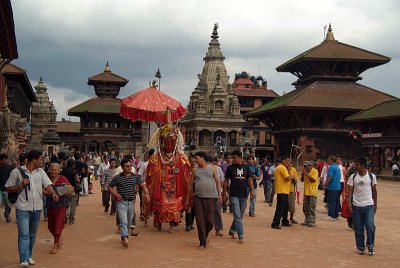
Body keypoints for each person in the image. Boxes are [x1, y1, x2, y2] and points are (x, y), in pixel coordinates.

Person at [5, 150, 58, 267]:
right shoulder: (17, 172)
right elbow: (8, 188)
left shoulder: (40, 172)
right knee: (24, 234)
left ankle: (29, 255)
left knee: (32, 234)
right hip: (22, 208)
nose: (42, 161)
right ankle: (24, 258)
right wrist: (20, 185)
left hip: (37, 207)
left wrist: (53, 193)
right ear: (34, 160)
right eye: (40, 159)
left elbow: (47, 185)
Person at [147, 123, 191, 233]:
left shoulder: (181, 158)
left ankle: (172, 225)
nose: (168, 145)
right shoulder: (156, 158)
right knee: (160, 206)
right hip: (161, 187)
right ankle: (159, 224)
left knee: (175, 207)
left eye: (171, 141)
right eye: (165, 141)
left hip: (175, 187)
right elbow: (150, 175)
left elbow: (187, 175)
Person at [109, 158, 150, 248]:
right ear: (122, 167)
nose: (129, 168)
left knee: (128, 221)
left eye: (131, 166)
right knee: (123, 221)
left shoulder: (135, 177)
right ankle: (125, 237)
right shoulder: (117, 178)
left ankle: (124, 236)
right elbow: (110, 187)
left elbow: (142, 185)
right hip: (121, 202)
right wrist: (115, 194)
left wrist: (146, 193)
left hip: (131, 202)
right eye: (127, 166)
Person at [186, 151, 222, 250]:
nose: (195, 160)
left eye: (196, 158)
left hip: (211, 198)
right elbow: (190, 184)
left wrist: (219, 194)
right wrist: (187, 199)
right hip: (198, 198)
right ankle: (202, 242)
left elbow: (217, 181)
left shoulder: (213, 168)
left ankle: (205, 235)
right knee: (200, 220)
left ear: (202, 158)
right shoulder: (195, 170)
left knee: (210, 221)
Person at [347, 156, 378, 256]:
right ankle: (360, 247)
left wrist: (375, 205)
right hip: (357, 206)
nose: (355, 166)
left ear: (362, 165)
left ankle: (370, 245)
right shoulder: (353, 177)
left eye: (357, 164)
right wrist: (349, 203)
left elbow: (374, 191)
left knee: (370, 226)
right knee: (359, 228)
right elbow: (350, 189)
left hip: (369, 205)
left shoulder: (371, 177)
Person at [223, 150, 254, 243]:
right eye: (232, 158)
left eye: (234, 158)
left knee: (239, 215)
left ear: (240, 157)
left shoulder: (246, 167)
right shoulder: (230, 168)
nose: (233, 159)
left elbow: (250, 180)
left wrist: (252, 191)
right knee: (237, 215)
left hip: (244, 194)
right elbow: (226, 181)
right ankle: (241, 235)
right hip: (234, 194)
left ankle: (232, 231)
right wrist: (224, 193)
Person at [44, 163, 73, 254]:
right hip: (50, 205)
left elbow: (70, 188)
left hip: (61, 206)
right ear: (49, 170)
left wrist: (60, 192)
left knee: (58, 225)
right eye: (52, 170)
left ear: (59, 170)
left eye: (55, 170)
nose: (53, 171)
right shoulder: (46, 179)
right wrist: (50, 193)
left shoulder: (62, 178)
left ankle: (55, 244)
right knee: (51, 227)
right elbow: (41, 189)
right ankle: (59, 238)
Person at [271, 156, 293, 229]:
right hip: (282, 190)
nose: (289, 163)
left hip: (284, 190)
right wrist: (289, 170)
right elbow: (288, 179)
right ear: (283, 161)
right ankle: (275, 223)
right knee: (280, 207)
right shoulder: (282, 168)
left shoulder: (281, 167)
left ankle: (284, 221)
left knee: (285, 207)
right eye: (287, 161)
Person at [138, 149, 155, 226]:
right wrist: (140, 185)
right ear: (150, 155)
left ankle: (156, 221)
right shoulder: (144, 165)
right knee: (146, 203)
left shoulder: (158, 165)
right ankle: (146, 221)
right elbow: (139, 175)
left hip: (155, 186)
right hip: (146, 186)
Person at [61, 159, 80, 225]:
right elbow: (78, 180)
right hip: (73, 189)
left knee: (65, 205)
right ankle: (71, 219)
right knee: (73, 206)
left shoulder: (63, 170)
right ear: (73, 164)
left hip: (65, 190)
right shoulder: (74, 171)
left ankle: (65, 216)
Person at [300, 161, 319, 227]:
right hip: (306, 192)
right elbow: (302, 180)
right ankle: (307, 220)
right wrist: (303, 175)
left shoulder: (315, 171)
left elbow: (313, 180)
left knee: (312, 208)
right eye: (304, 166)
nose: (305, 167)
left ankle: (312, 222)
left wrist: (306, 174)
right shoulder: (305, 172)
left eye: (306, 166)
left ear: (310, 166)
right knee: (305, 208)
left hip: (312, 193)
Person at [323, 155, 341, 220]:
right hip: (338, 187)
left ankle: (331, 215)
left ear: (331, 160)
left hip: (332, 187)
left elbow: (330, 177)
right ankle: (336, 215)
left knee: (331, 201)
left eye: (328, 159)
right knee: (336, 201)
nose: (327, 160)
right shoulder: (337, 167)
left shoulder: (331, 167)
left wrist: (325, 184)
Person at [211, 156, 224, 236]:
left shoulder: (218, 169)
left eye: (215, 163)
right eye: (212, 163)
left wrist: (221, 192)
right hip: (207, 194)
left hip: (216, 194)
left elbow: (221, 181)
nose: (213, 165)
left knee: (217, 212)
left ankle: (218, 228)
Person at [0, 153, 13, 223]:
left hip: (6, 189)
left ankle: (7, 214)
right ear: (1, 160)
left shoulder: (9, 167)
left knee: (8, 204)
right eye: (4, 159)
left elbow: (15, 173)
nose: (6, 160)